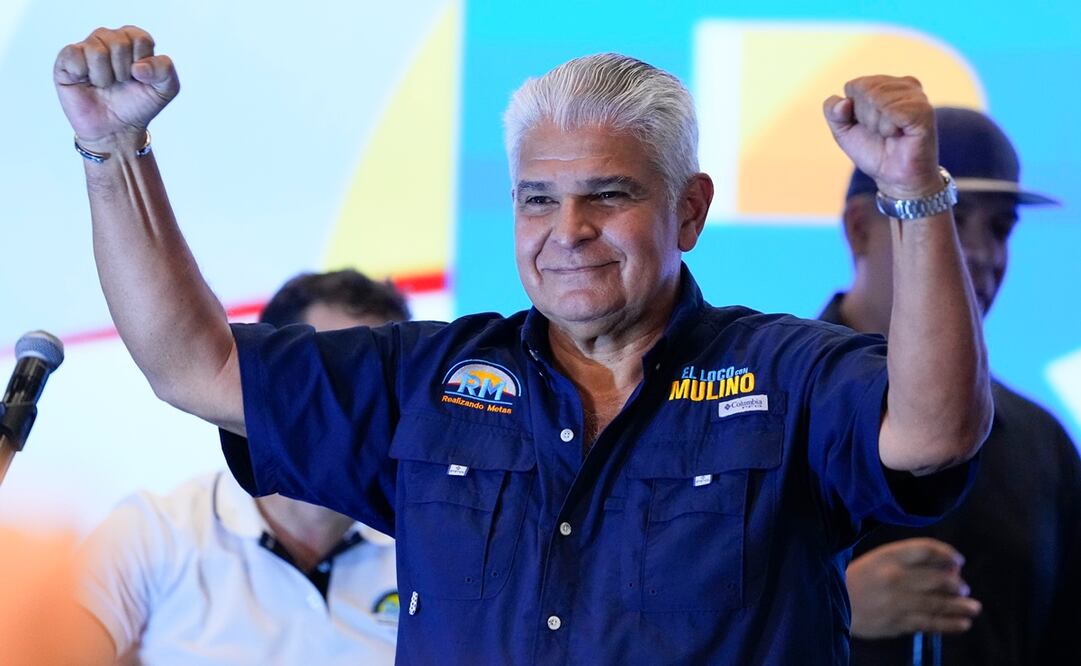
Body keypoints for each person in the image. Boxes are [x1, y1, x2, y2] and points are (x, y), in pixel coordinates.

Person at [54, 26, 993, 664]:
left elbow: (934, 431)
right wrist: (113, 153)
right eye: (537, 199)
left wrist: (913, 194)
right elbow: (194, 364)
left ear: (691, 210)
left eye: (608, 195)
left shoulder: (787, 374)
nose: (567, 229)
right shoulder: (425, 381)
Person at [826, 107, 1081, 665]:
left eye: (999, 228)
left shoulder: (1043, 445)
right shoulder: (758, 407)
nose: (982, 254)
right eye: (941, 220)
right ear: (859, 229)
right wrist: (829, 605)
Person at [76, 270, 407, 665]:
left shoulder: (436, 553)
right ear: (264, 381)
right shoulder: (156, 531)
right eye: (328, 383)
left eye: (373, 387)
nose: (349, 411)